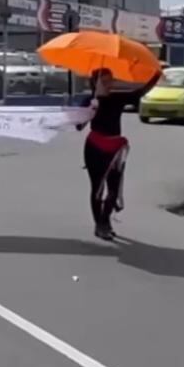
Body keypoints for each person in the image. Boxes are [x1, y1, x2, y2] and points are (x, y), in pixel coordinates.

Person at [77, 67, 160, 240]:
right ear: (95, 82)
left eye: (110, 81)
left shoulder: (117, 98)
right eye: (104, 82)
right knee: (97, 189)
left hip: (115, 148)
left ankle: (105, 220)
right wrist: (90, 109)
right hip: (95, 147)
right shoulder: (89, 100)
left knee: (113, 190)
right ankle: (99, 224)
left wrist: (157, 75)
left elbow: (139, 93)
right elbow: (78, 125)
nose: (108, 85)